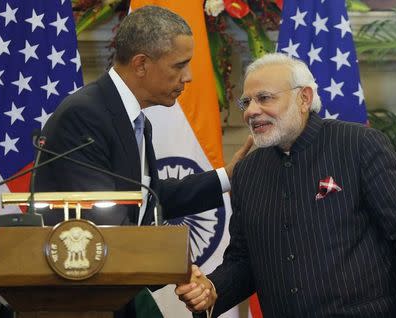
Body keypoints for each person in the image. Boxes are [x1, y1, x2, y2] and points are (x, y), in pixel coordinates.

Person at [28, 5, 252, 318]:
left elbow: (149, 198)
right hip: (76, 303)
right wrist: (176, 267)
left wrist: (229, 175)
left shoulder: (135, 120)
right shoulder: (84, 116)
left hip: (112, 299)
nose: (188, 77)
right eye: (180, 65)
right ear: (142, 64)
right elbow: (99, 225)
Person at [175, 53, 396, 317]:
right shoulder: (246, 171)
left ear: (304, 98)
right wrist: (209, 289)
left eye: (264, 98)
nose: (251, 111)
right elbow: (244, 261)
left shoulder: (358, 145)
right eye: (247, 102)